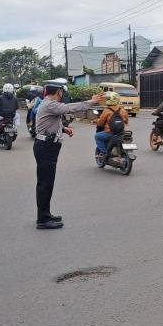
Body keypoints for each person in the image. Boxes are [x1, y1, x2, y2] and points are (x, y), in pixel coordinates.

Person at [33, 78, 105, 230]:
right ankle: (43, 219)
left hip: (46, 145)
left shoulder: (47, 104)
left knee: (47, 182)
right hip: (46, 147)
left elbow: (49, 122)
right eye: (62, 92)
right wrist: (91, 101)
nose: (63, 95)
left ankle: (45, 214)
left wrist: (64, 129)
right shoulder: (51, 104)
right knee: (45, 183)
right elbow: (69, 108)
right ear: (59, 92)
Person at [95, 92, 129, 157]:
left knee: (97, 136)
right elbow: (126, 121)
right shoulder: (123, 110)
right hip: (121, 133)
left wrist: (95, 121)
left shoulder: (107, 110)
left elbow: (100, 123)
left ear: (110, 99)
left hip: (110, 133)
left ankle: (105, 153)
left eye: (108, 98)